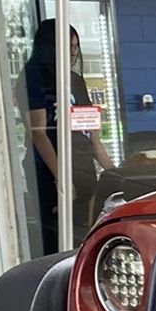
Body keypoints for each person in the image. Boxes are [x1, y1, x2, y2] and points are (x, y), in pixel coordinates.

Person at [20, 21, 113, 252]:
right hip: (52, 170)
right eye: (68, 46)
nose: (73, 53)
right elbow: (39, 133)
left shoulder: (75, 80)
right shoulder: (33, 77)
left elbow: (91, 132)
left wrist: (112, 170)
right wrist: (61, 179)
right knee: (58, 238)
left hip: (82, 167)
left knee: (87, 236)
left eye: (76, 47)